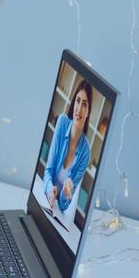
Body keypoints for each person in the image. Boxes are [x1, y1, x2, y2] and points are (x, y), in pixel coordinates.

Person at [43, 80, 93, 213]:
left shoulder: (86, 153)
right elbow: (48, 171)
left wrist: (66, 193)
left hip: (58, 213)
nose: (79, 109)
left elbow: (65, 205)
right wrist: (50, 190)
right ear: (73, 102)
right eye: (78, 101)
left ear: (88, 111)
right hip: (46, 200)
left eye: (84, 104)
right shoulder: (62, 122)